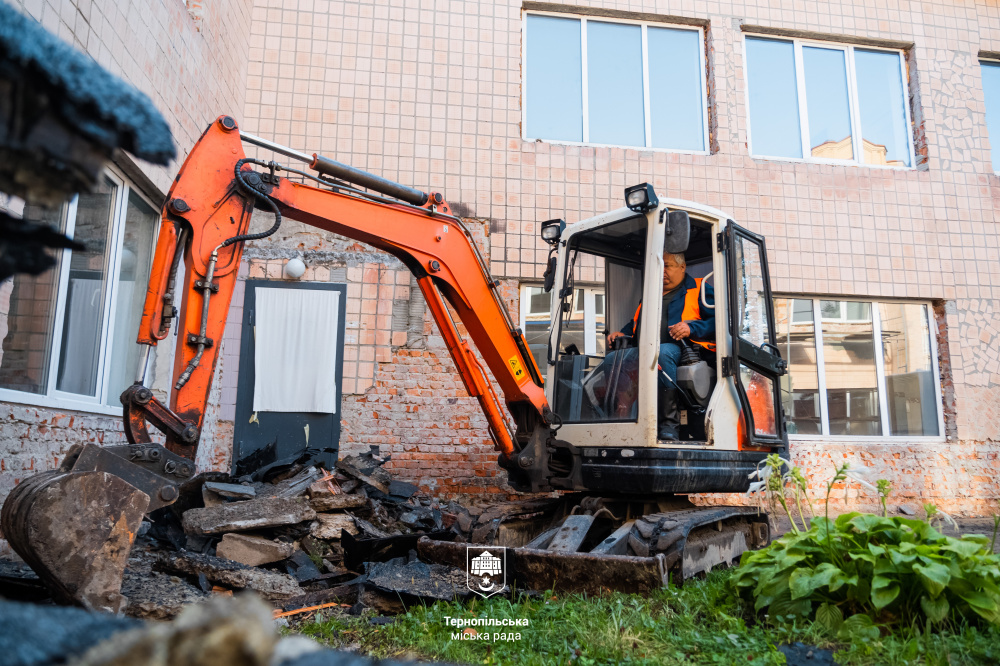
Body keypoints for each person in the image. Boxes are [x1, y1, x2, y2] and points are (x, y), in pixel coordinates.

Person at [605, 251, 715, 440]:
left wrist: (691, 328)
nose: (663, 271)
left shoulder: (699, 288)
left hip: (683, 350)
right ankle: (621, 418)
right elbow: (635, 324)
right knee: (611, 360)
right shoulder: (650, 295)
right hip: (647, 351)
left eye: (668, 266)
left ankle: (669, 424)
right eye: (660, 266)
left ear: (682, 267)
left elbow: (717, 321)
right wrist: (622, 333)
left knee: (662, 353)